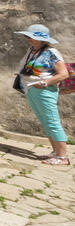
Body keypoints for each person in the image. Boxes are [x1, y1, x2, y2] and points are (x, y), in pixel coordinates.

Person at [14, 24, 69, 166]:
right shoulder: (32, 50)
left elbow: (63, 74)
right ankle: (56, 152)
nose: (28, 39)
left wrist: (45, 83)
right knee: (45, 121)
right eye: (27, 36)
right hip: (32, 89)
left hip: (44, 91)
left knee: (52, 121)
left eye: (31, 37)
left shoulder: (51, 52)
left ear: (42, 39)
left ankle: (62, 157)